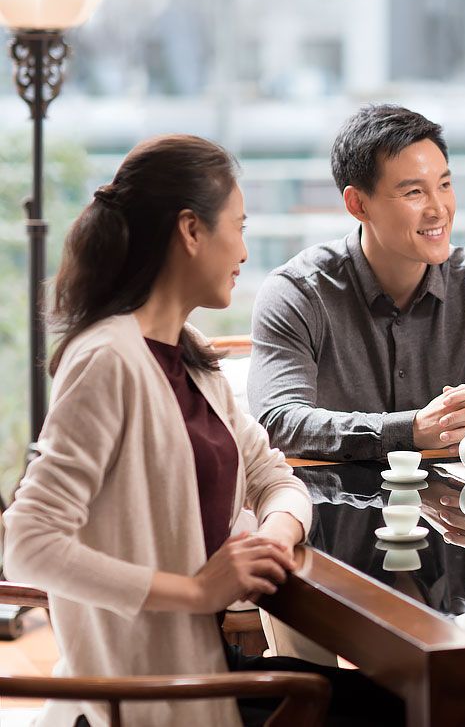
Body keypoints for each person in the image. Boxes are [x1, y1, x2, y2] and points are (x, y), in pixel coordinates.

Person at [2, 135, 402, 726]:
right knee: (427, 706)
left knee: (430, 699)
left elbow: (274, 476)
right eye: (237, 227)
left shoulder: (192, 360)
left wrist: (274, 531)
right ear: (191, 231)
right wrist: (196, 592)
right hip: (154, 696)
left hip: (205, 670)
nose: (244, 250)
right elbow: (27, 544)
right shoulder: (109, 359)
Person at [249, 104, 465, 462]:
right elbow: (278, 421)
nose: (439, 209)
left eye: (445, 185)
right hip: (335, 509)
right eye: (414, 193)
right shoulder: (298, 293)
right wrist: (411, 430)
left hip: (455, 512)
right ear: (358, 204)